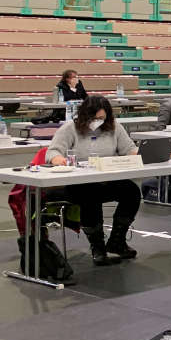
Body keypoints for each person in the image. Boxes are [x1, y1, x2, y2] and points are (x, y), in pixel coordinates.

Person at [46, 95, 140, 266]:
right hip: (79, 183)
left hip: (107, 178)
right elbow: (52, 152)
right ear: (85, 115)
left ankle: (117, 242)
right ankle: (98, 247)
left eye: (102, 118)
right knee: (90, 195)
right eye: (95, 118)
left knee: (132, 191)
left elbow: (129, 149)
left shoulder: (114, 127)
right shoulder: (70, 128)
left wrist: (139, 154)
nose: (98, 121)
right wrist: (58, 159)